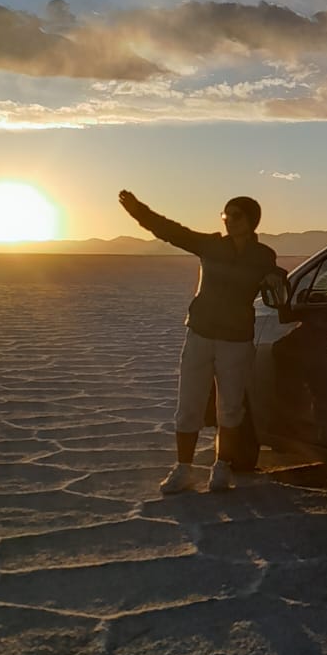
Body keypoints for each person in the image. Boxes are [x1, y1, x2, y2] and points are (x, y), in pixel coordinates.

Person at [118, 189, 288, 494]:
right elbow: (170, 230)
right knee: (189, 404)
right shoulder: (209, 245)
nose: (228, 221)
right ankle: (183, 470)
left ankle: (221, 469)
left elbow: (275, 276)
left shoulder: (263, 256)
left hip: (236, 340)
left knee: (231, 408)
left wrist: (276, 276)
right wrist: (137, 210)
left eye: (235, 215)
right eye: (225, 215)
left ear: (252, 220)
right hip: (201, 334)